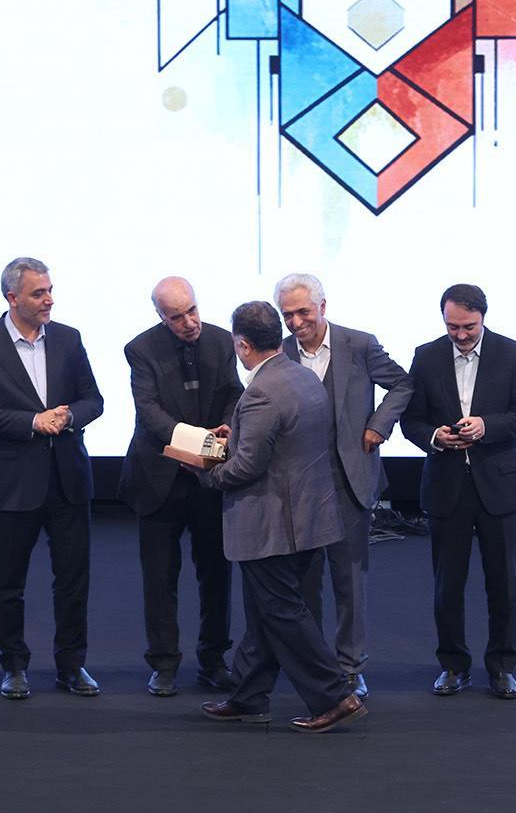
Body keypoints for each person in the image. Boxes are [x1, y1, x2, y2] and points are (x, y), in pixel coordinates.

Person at [190, 302, 367, 734]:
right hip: (309, 519)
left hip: (271, 526)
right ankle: (249, 696)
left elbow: (246, 468)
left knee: (283, 612)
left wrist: (204, 471)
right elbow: (287, 443)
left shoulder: (261, 392)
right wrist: (240, 434)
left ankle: (334, 696)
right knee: (265, 611)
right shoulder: (302, 377)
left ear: (242, 344)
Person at [0, 257, 104, 700]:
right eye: (39, 293)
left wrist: (69, 417)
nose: (49, 300)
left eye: (50, 290)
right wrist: (31, 422)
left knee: (73, 579)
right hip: (12, 482)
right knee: (7, 583)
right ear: (12, 298)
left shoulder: (68, 338)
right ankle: (14, 666)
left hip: (68, 479)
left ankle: (71, 665)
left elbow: (93, 399)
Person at [276, 273, 412, 699]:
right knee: (305, 581)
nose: (296, 322)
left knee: (349, 580)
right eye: (287, 315)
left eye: (303, 311)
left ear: (323, 306)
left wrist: (378, 425)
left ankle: (351, 667)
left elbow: (402, 383)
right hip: (298, 485)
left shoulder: (359, 344)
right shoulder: (281, 352)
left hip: (349, 479)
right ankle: (315, 665)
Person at [400, 284, 516, 699]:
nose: (460, 335)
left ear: (483, 318)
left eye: (469, 327)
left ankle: (502, 667)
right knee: (448, 585)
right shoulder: (426, 356)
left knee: (503, 583)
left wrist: (486, 426)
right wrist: (435, 437)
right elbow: (411, 420)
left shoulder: (512, 353)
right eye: (452, 326)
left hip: (499, 485)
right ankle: (453, 666)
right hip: (446, 485)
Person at [118, 277, 243, 697]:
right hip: (159, 478)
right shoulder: (140, 349)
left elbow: (234, 393)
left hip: (210, 477)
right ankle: (164, 663)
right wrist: (198, 443)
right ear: (161, 316)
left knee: (216, 574)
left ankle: (214, 660)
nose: (190, 322)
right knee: (159, 577)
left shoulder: (223, 341)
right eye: (177, 317)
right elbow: (149, 412)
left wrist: (225, 429)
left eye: (192, 310)